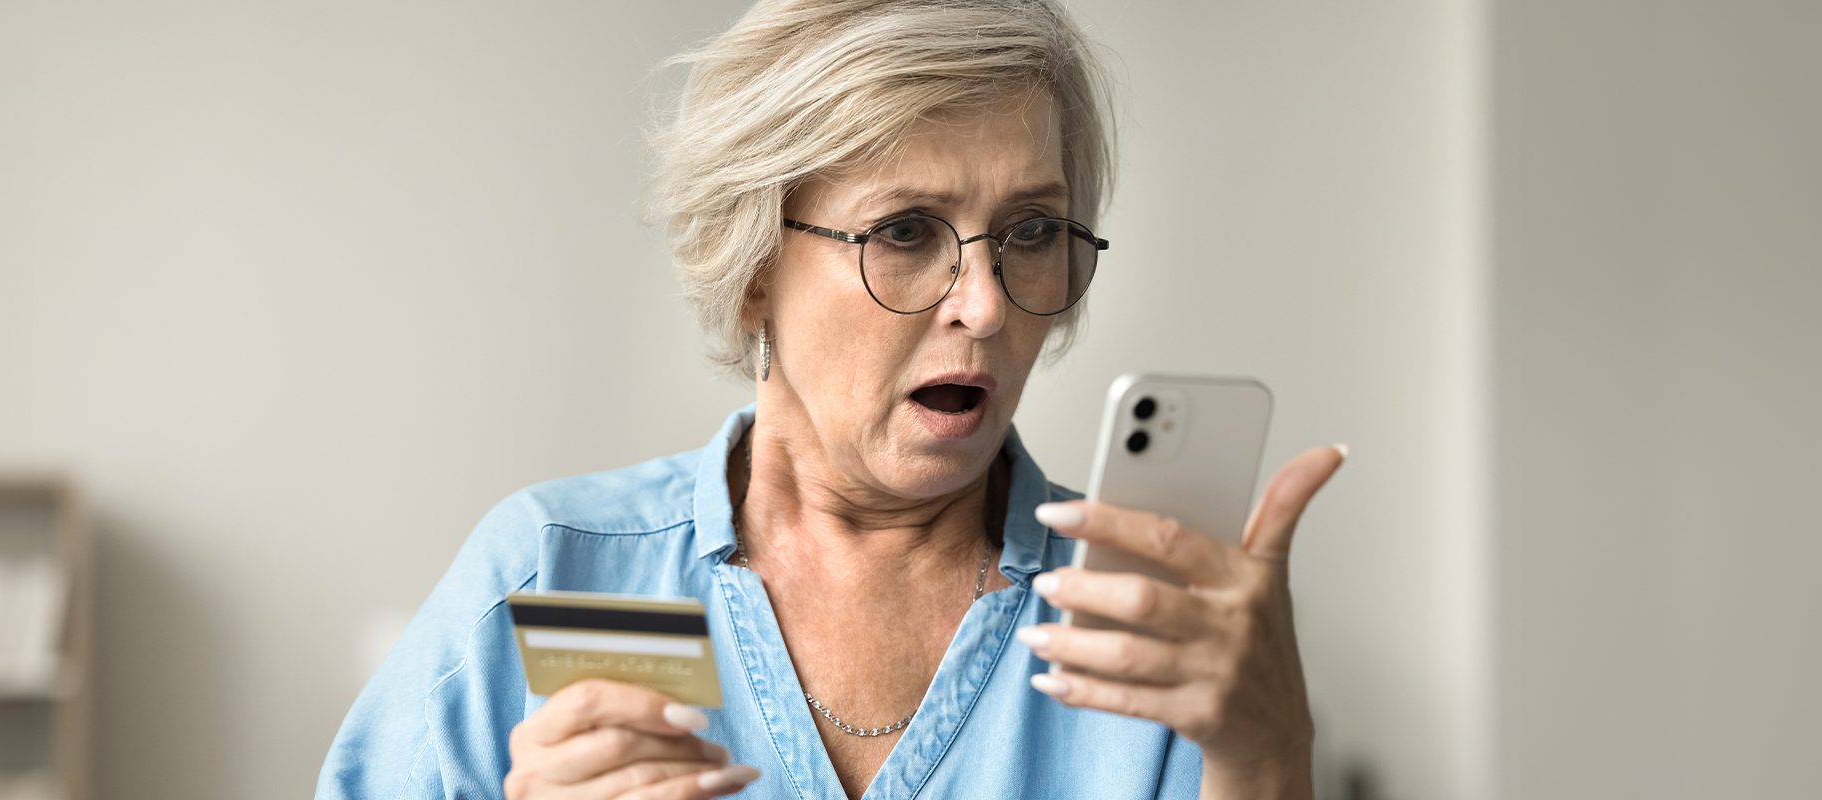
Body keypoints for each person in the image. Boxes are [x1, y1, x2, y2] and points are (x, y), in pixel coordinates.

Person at [315, 1, 1343, 798]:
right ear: (755, 261)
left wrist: (1269, 752)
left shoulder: (1149, 629)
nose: (984, 305)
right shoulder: (557, 572)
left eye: (1031, 231)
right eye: (904, 231)